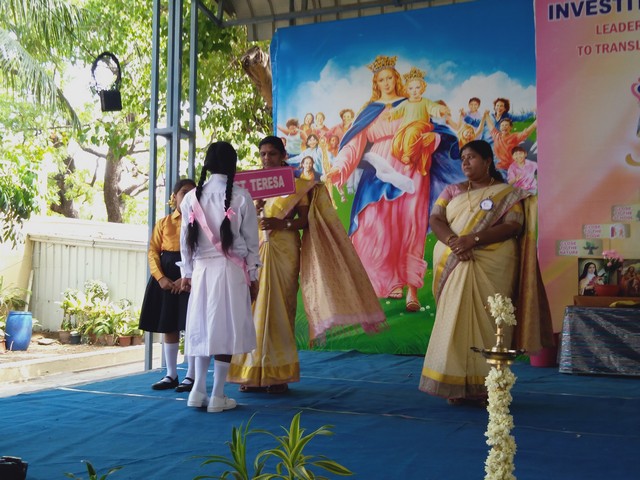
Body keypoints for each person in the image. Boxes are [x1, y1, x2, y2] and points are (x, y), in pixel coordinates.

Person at [228, 136, 385, 394]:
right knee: (254, 309)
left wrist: (281, 224)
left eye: (272, 154)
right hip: (257, 251)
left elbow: (305, 221)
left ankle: (278, 376)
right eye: (263, 154)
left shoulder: (295, 184)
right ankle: (252, 373)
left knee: (280, 309)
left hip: (285, 250)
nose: (266, 159)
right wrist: (255, 210)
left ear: (283, 156)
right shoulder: (252, 186)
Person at [419, 140, 553, 406]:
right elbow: (436, 219)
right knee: (454, 321)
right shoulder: (452, 190)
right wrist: (456, 243)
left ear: (488, 161)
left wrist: (474, 240)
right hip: (455, 259)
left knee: (492, 324)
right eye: (462, 159)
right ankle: (456, 386)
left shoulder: (507, 193)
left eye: (471, 157)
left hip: (493, 263)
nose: (465, 163)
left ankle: (487, 387)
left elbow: (513, 225)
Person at [325, 55, 463, 312]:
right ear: (376, 83)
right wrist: (339, 167)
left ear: (396, 79)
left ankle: (412, 289)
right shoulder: (370, 110)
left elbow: (430, 130)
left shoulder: (412, 103)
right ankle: (389, 283)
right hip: (378, 170)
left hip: (411, 169)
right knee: (374, 225)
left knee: (410, 224)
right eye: (381, 80)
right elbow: (353, 145)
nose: (386, 83)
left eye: (390, 78)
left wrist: (431, 139)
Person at [178, 141, 260, 413]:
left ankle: (197, 390)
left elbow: (185, 242)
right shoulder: (241, 196)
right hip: (230, 271)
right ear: (232, 164)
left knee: (203, 328)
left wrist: (187, 273)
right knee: (225, 330)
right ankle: (217, 395)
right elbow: (251, 243)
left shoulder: (191, 198)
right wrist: (253, 274)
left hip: (201, 272)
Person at [139, 178, 196, 392]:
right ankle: (171, 374)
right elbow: (153, 251)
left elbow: (202, 252)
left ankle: (191, 375)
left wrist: (188, 276)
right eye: (184, 193)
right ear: (174, 197)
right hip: (166, 276)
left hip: (191, 277)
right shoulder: (163, 223)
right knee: (168, 324)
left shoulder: (201, 223)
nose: (188, 197)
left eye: (193, 193)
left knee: (192, 325)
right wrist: (161, 278)